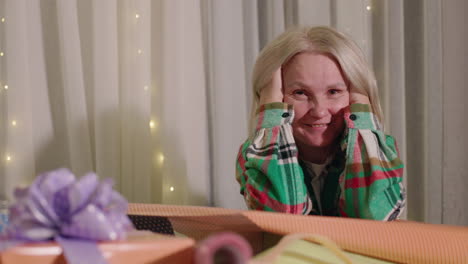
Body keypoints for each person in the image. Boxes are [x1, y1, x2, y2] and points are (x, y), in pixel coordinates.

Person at [235, 26, 405, 221]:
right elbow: (283, 216)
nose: (319, 111)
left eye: (334, 92)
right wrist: (271, 115)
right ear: (275, 98)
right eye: (300, 93)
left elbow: (373, 215)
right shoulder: (254, 155)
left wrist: (362, 116)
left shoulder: (380, 149)